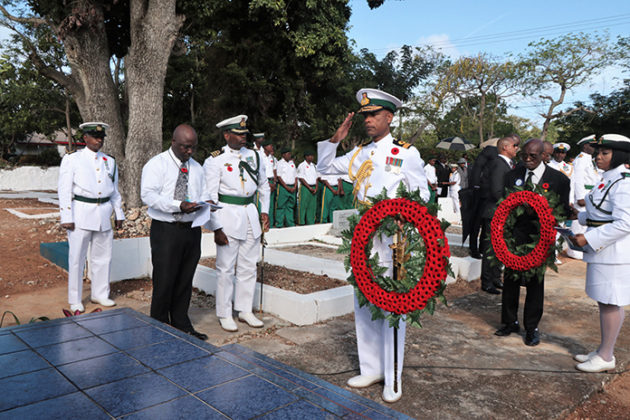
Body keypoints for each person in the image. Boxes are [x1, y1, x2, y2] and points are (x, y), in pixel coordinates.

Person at [317, 88, 430, 403]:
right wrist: (334, 140)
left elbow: (423, 196)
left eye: (373, 114)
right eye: (365, 115)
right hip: (363, 236)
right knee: (364, 300)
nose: (367, 120)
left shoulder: (406, 153)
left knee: (393, 304)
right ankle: (370, 368)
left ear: (389, 117)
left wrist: (404, 221)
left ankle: (393, 377)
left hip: (394, 239)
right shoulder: (359, 152)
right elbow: (323, 168)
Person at [494, 139, 571, 346]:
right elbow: (503, 206)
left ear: (543, 155)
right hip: (513, 237)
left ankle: (531, 327)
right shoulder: (512, 176)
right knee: (510, 281)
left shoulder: (558, 180)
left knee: (535, 285)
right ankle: (510, 321)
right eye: (524, 156)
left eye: (533, 156)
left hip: (540, 238)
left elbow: (562, 210)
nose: (527, 160)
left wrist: (541, 210)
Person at [141, 124, 214, 340]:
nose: (189, 152)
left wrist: (205, 202)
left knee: (185, 279)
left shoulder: (197, 168)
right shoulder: (157, 164)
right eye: (185, 147)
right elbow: (148, 195)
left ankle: (182, 323)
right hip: (166, 230)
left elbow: (205, 192)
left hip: (191, 230)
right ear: (173, 142)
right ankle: (159, 325)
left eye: (193, 147)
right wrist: (178, 205)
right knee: (164, 279)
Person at [570, 134, 630, 372]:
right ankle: (603, 349)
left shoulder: (624, 183)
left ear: (620, 155)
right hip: (603, 253)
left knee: (610, 302)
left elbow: (625, 223)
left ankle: (606, 356)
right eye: (598, 153)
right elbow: (601, 212)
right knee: (605, 301)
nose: (598, 157)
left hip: (615, 255)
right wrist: (579, 217)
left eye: (605, 153)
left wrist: (589, 237)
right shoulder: (607, 179)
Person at [205, 115, 270, 332]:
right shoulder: (216, 159)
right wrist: (216, 227)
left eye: (245, 134)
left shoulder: (255, 156)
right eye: (239, 134)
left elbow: (264, 186)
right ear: (227, 135)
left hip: (250, 214)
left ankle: (244, 310)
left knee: (248, 266)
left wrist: (265, 211)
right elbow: (211, 197)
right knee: (225, 268)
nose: (243, 138)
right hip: (227, 216)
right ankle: (224, 313)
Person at [58, 122, 124, 313]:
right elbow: (64, 190)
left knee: (103, 256)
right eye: (94, 137)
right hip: (81, 213)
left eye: (101, 137)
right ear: (85, 138)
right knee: (77, 258)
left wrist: (118, 212)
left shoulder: (109, 161)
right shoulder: (72, 159)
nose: (98, 140)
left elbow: (114, 191)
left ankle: (100, 293)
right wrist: (66, 216)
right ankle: (75, 298)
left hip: (103, 212)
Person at [479, 136, 520, 295]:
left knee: (499, 248)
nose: (517, 148)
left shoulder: (507, 164)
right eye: (514, 146)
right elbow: (497, 191)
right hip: (495, 212)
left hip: (503, 212)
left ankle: (496, 278)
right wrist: (514, 201)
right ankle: (487, 281)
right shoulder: (498, 163)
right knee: (491, 249)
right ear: (505, 147)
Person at [568, 135, 603, 259]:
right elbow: (577, 179)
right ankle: (574, 251)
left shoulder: (589, 159)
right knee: (579, 224)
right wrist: (579, 197)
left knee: (586, 223)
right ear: (585, 146)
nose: (594, 148)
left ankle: (581, 248)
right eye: (592, 145)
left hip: (590, 193)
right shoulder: (581, 159)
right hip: (583, 194)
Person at [468, 144, 498, 259]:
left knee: (486, 225)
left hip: (490, 195)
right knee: (476, 223)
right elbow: (478, 167)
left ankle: (482, 248)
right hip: (481, 193)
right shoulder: (491, 150)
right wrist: (475, 187)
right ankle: (473, 248)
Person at [275, 149, 297, 227]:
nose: (289, 155)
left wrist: (295, 186)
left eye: (290, 154)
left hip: (292, 187)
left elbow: (295, 176)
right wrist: (286, 187)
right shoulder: (280, 163)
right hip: (283, 187)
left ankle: (290, 223)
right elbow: (279, 176)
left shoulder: (292, 163)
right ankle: (279, 223)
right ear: (283, 155)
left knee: (290, 206)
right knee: (281, 205)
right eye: (288, 154)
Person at [297, 151, 318, 225]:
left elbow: (317, 178)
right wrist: (309, 187)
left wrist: (316, 188)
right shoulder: (302, 165)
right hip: (305, 187)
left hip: (313, 187)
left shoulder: (314, 166)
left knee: (312, 206)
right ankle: (301, 222)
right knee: (303, 205)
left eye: (312, 156)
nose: (311, 157)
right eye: (309, 156)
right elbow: (301, 178)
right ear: (306, 157)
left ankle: (310, 222)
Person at [262, 139, 278, 228]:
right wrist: (268, 183)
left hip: (272, 181)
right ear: (265, 147)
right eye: (270, 145)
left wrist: (274, 182)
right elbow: (260, 172)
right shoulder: (260, 156)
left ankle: (270, 224)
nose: (272, 147)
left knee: (271, 204)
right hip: (264, 182)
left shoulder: (272, 158)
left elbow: (274, 169)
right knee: (263, 204)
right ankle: (262, 224)